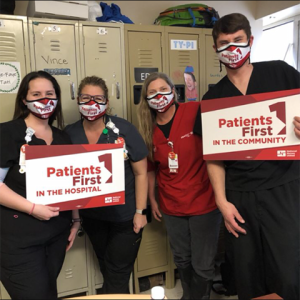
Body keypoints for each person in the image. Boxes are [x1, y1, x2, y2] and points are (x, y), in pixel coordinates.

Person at [202, 13, 300, 299]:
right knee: (248, 274)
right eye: (224, 43)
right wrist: (222, 202)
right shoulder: (214, 99)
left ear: (250, 41)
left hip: (284, 188)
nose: (231, 49)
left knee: (288, 271)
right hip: (240, 195)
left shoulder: (280, 73)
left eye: (238, 41)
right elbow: (214, 158)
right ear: (215, 50)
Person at [138, 72, 221, 299]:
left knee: (202, 262)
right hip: (171, 204)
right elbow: (151, 169)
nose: (159, 96)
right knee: (182, 257)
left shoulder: (194, 112)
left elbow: (224, 133)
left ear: (173, 91)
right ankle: (189, 294)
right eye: (152, 92)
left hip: (204, 201)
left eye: (163, 90)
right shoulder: (148, 129)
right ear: (146, 99)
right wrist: (153, 200)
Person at [0, 71, 80, 299]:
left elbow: (71, 183)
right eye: (36, 94)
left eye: (50, 94)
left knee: (48, 293)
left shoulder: (62, 137)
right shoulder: (7, 133)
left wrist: (75, 220)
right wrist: (33, 209)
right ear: (24, 100)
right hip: (18, 242)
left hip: (56, 236)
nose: (44, 100)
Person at [64, 76, 148, 294]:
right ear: (78, 100)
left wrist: (140, 211)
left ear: (107, 102)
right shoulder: (69, 134)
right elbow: (68, 182)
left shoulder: (124, 130)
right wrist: (75, 218)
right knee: (105, 265)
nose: (92, 104)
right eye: (86, 98)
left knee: (118, 273)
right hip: (93, 218)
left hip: (125, 217)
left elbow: (141, 173)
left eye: (98, 98)